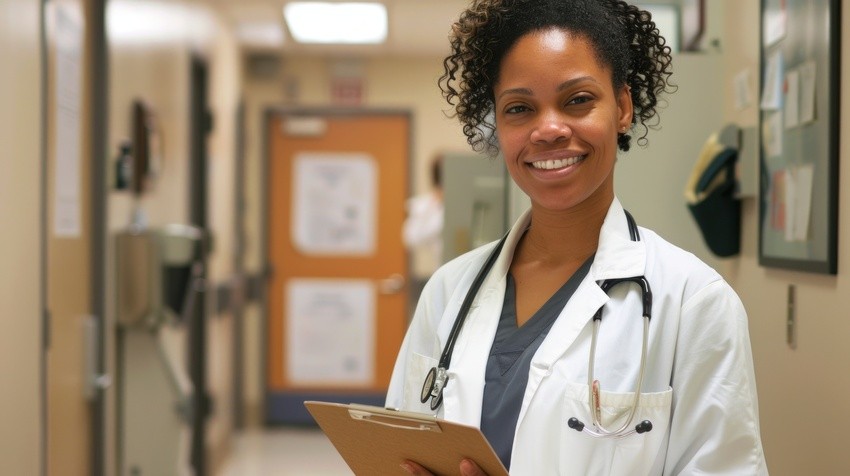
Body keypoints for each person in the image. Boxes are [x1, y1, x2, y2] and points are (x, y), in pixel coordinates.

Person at [386, 1, 768, 475]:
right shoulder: (448, 292)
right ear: (499, 125)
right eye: (519, 108)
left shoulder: (694, 302)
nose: (548, 129)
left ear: (623, 107)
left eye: (577, 100)